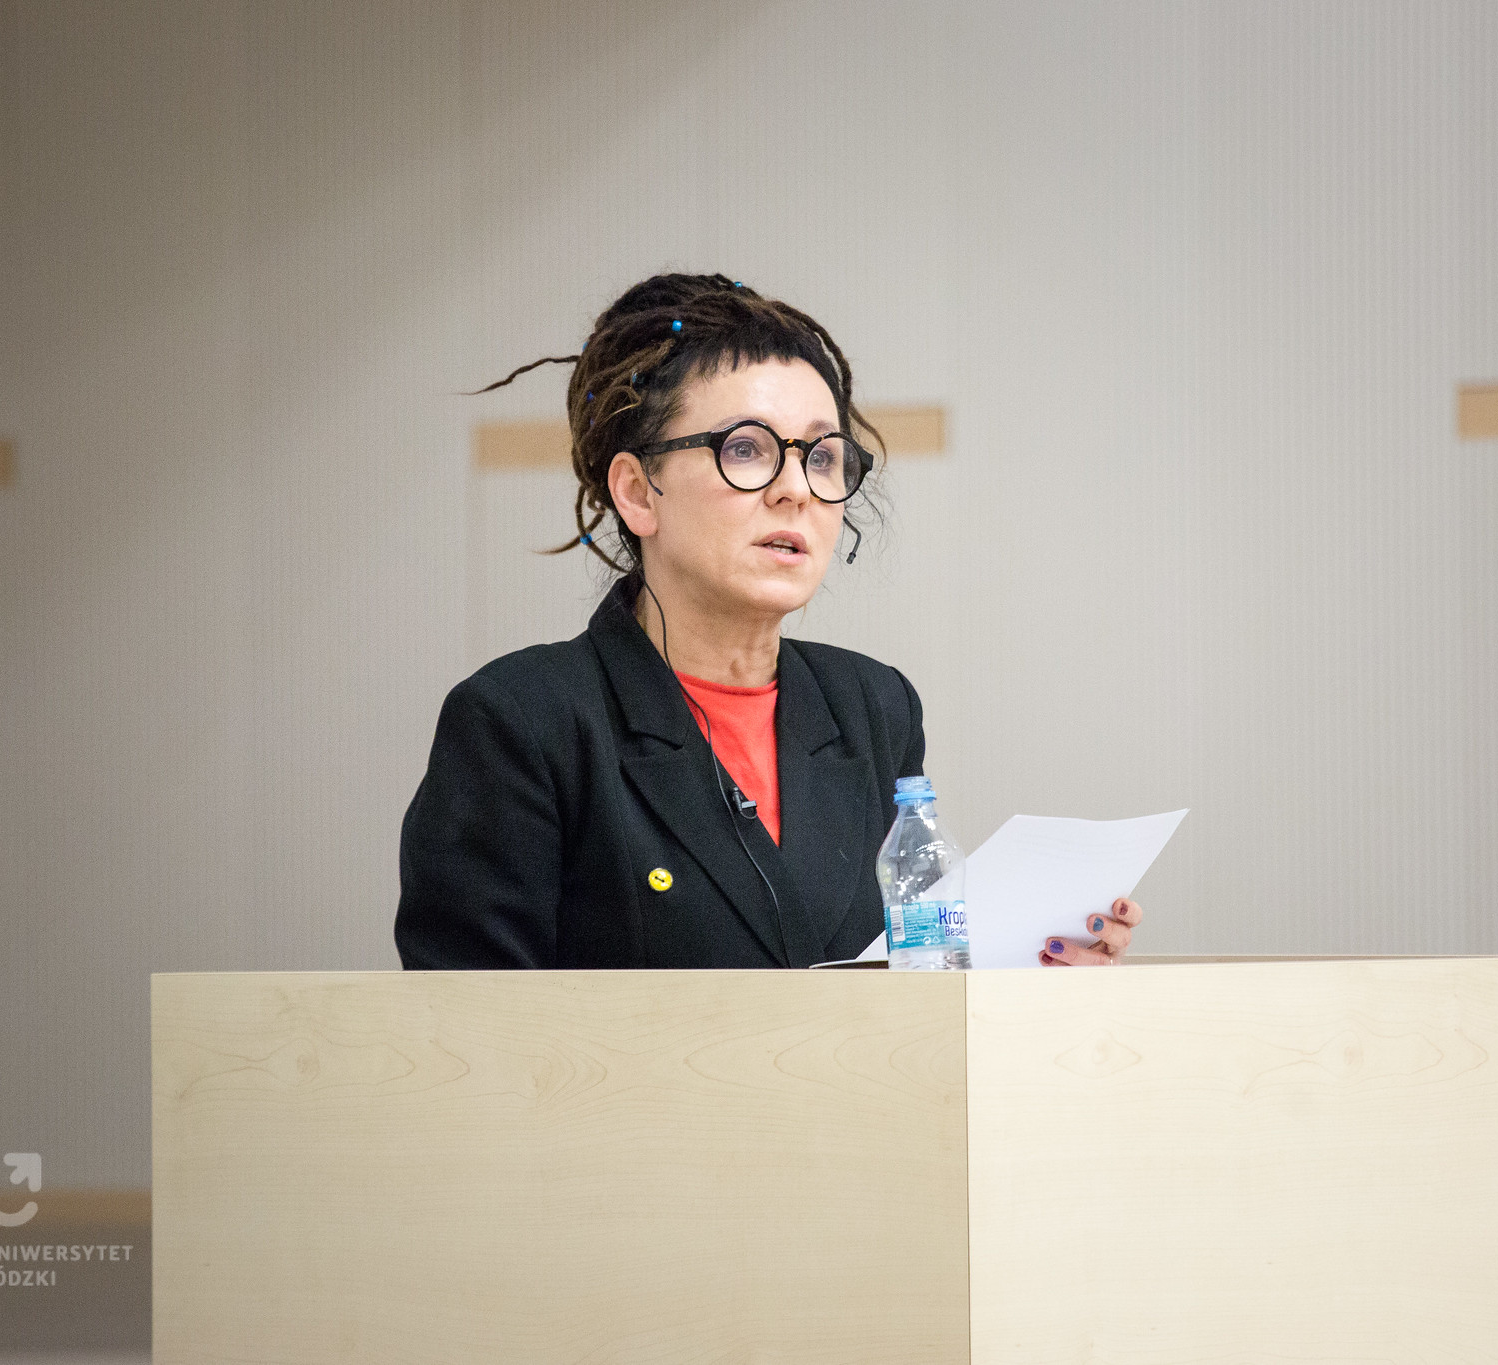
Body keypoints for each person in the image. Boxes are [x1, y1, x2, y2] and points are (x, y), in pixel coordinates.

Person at [395, 273, 1142, 970]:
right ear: (638, 493)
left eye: (822, 457)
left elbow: (908, 972)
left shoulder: (872, 706)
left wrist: (1029, 972)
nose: (796, 490)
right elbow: (470, 1032)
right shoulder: (524, 719)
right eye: (745, 449)